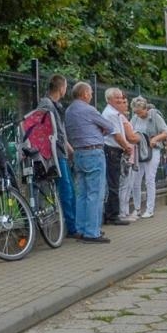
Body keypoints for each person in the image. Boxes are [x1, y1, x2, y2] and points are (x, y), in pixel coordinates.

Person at [62, 81, 113, 243]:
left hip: (78, 153)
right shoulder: (88, 109)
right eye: (90, 92)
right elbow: (110, 127)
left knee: (82, 194)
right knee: (95, 193)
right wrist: (98, 131)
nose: (91, 95)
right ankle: (92, 232)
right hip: (93, 152)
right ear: (84, 94)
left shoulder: (69, 111)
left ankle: (81, 230)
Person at [37, 74, 76, 235]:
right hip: (55, 153)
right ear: (61, 88)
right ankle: (72, 227)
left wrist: (68, 148)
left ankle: (73, 224)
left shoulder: (54, 105)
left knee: (69, 188)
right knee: (66, 189)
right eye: (65, 87)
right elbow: (49, 130)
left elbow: (58, 130)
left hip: (60, 151)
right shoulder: (47, 105)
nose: (66, 90)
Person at [100, 87, 141, 225]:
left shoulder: (114, 113)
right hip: (112, 150)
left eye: (121, 97)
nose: (120, 100)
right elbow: (116, 135)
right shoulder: (111, 114)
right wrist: (126, 147)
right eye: (117, 98)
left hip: (113, 150)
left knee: (115, 183)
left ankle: (112, 214)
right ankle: (113, 215)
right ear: (109, 99)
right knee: (114, 184)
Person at [129, 96, 167, 219]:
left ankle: (149, 209)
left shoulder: (154, 116)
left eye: (139, 112)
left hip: (152, 150)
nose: (138, 115)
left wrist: (155, 139)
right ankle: (137, 208)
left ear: (145, 108)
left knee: (149, 179)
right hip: (139, 152)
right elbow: (130, 132)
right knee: (135, 180)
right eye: (135, 112)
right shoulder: (135, 118)